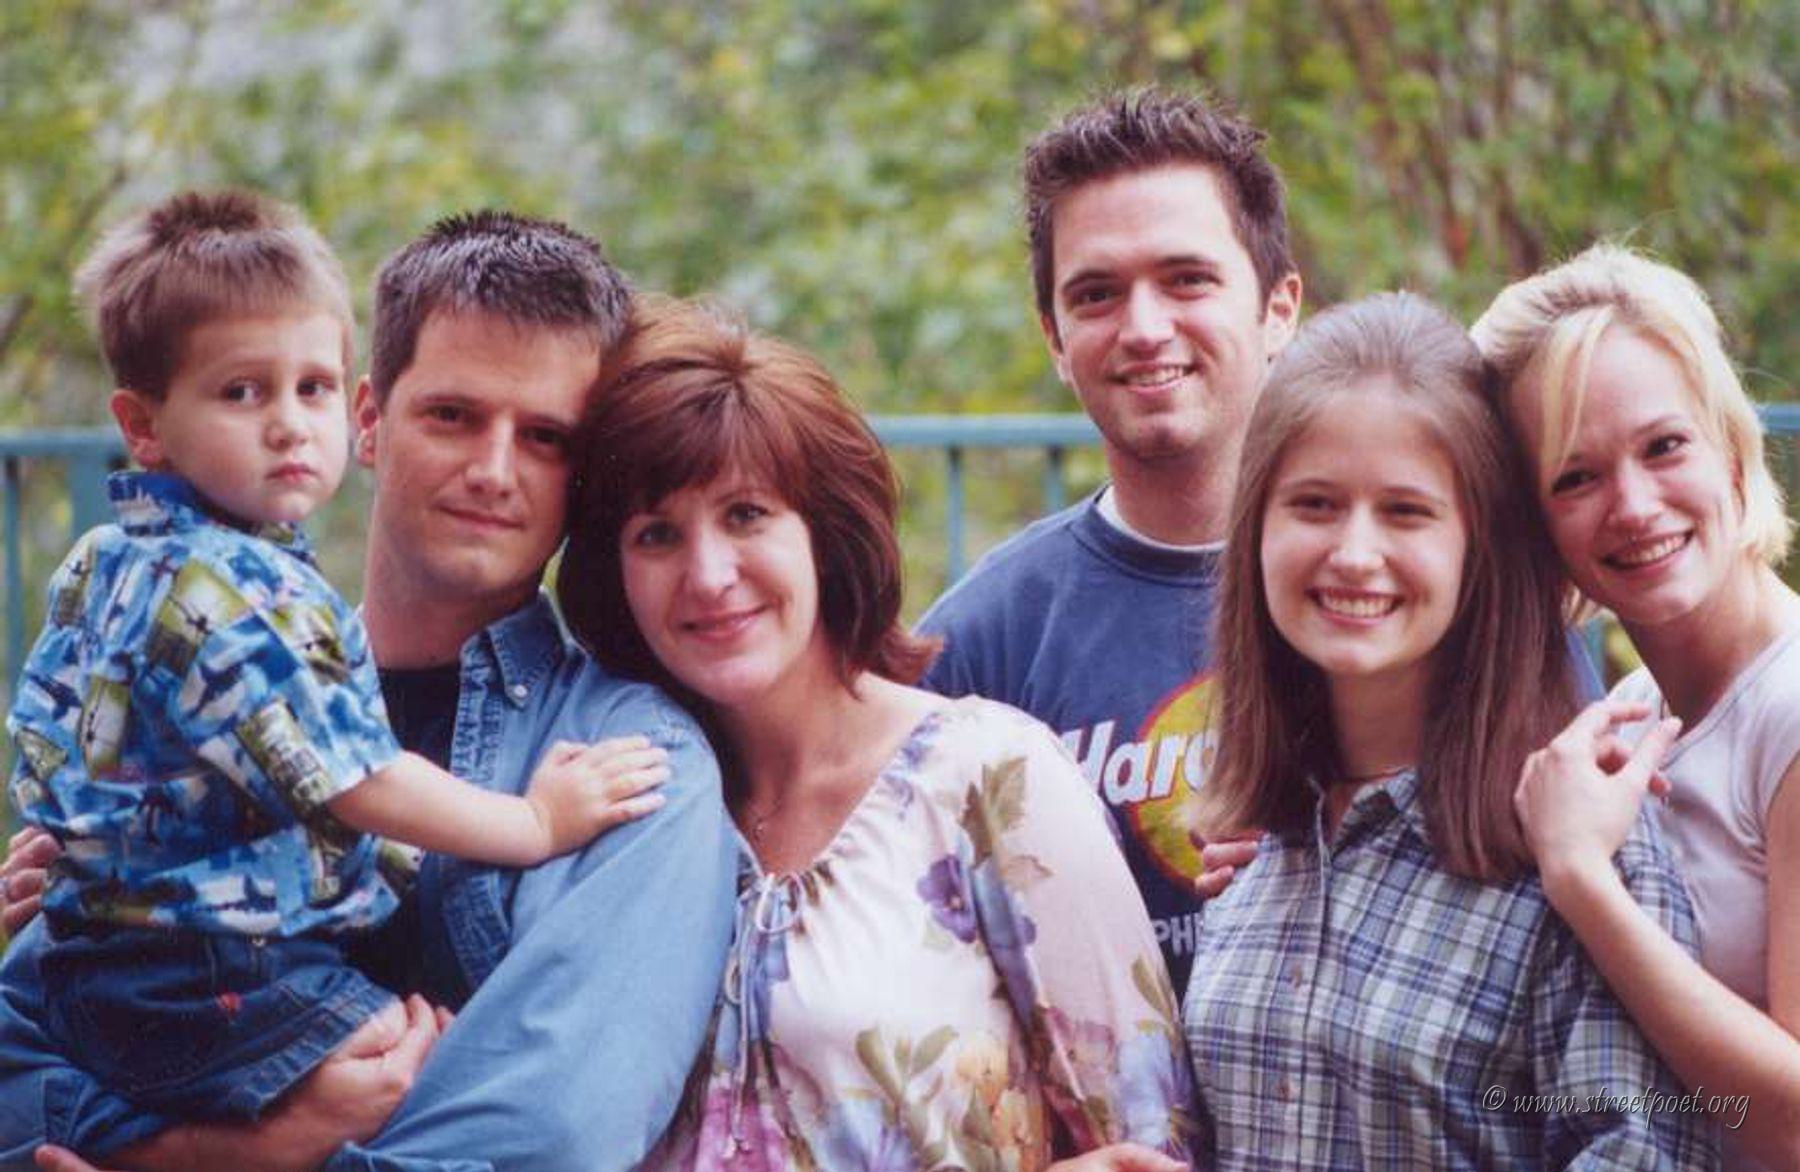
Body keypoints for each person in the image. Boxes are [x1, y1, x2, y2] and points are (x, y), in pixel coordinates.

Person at [0, 210, 738, 1171]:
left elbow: (549, 1135)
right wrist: (231, 1153)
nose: (493, 471)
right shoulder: (200, 683)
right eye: (453, 416)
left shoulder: (630, 765)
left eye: (545, 437)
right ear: (368, 420)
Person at [556, 297, 1195, 1172]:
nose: (707, 575)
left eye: (746, 515)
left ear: (825, 535)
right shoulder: (621, 797)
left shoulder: (988, 779)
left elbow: (1148, 1146)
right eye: (656, 534)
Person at [1181, 293, 1717, 1167]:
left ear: (1479, 547)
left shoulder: (1584, 847)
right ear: (1256, 531)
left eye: (1406, 511)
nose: (1355, 554)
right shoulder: (1262, 843)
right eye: (1314, 504)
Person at [916, 89, 1301, 992]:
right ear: (1054, 338)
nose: (1145, 328)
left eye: (1187, 280)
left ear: (1279, 307)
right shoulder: (979, 646)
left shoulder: (1410, 586)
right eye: (1097, 294)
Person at [1474, 243, 1800, 1168]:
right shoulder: (1632, 710)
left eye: (1664, 447)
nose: (1633, 505)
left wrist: (1582, 879)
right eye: (1574, 477)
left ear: (1729, 445)